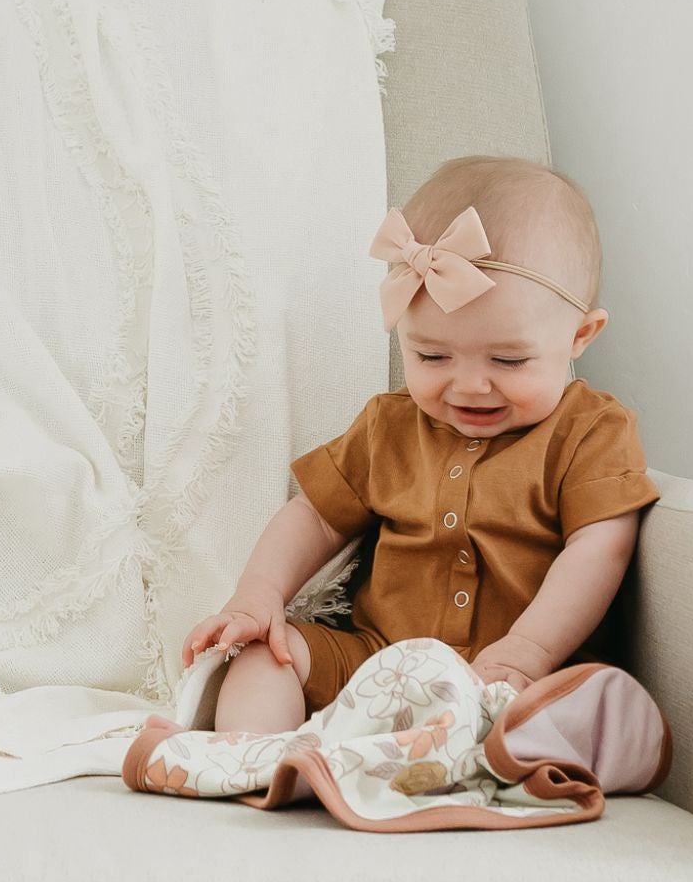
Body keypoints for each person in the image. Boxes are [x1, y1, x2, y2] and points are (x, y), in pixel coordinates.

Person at [183, 154, 658, 734]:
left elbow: (601, 546)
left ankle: (448, 759)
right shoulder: (389, 427)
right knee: (266, 656)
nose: (469, 385)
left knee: (595, 710)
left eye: (508, 360)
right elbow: (315, 516)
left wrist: (528, 651)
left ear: (580, 334)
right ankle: (254, 759)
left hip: (516, 683)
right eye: (432, 356)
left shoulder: (588, 432)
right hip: (375, 667)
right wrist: (258, 594)